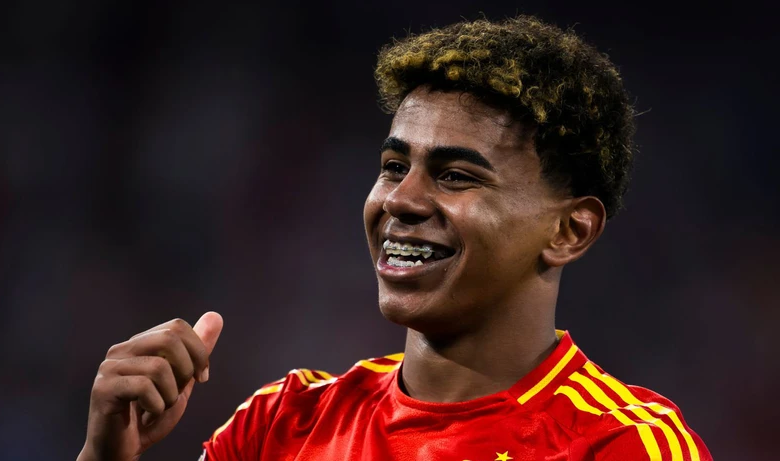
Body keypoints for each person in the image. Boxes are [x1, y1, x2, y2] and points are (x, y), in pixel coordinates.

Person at [77, 16, 713, 461]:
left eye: (455, 175)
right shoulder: (283, 426)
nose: (400, 200)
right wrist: (105, 456)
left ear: (569, 230)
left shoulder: (621, 445)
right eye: (392, 166)